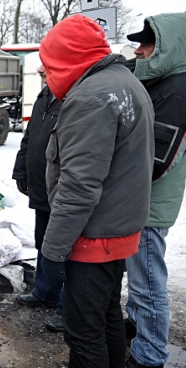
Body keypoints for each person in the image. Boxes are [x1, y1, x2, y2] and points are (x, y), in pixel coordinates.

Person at [38, 15, 154, 367]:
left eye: (49, 63)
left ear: (66, 57)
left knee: (83, 331)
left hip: (93, 237)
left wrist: (53, 251)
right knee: (106, 316)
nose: (47, 72)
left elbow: (79, 186)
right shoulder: (123, 82)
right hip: (117, 227)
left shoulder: (91, 97)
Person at [124, 13, 186, 368]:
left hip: (150, 203)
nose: (139, 50)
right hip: (141, 199)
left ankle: (150, 354)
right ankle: (136, 329)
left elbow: (157, 160)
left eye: (146, 44)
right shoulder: (162, 82)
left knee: (148, 281)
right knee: (140, 278)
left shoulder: (177, 89)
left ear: (167, 47)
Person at [12, 65, 64, 332]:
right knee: (43, 241)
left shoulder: (70, 100)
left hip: (61, 190)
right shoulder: (44, 98)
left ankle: (66, 307)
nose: (44, 78)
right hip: (41, 187)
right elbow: (29, 139)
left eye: (47, 74)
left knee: (63, 248)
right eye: (42, 75)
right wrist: (21, 171)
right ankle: (45, 292)